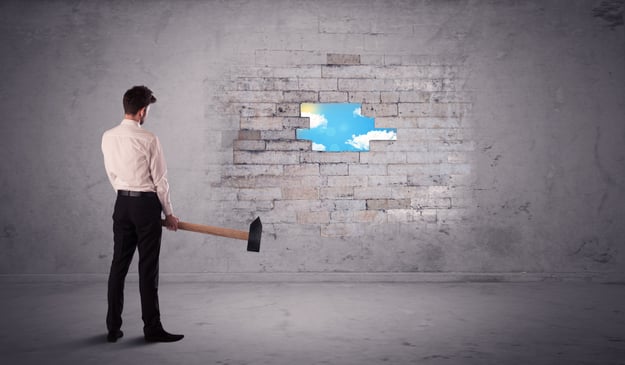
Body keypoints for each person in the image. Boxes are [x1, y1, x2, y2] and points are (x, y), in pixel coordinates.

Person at [101, 85, 184, 343]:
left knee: (118, 266)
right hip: (146, 206)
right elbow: (160, 181)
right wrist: (169, 214)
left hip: (121, 203)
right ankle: (152, 329)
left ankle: (113, 328)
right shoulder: (149, 138)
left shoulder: (107, 136)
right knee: (148, 269)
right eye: (147, 110)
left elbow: (112, 175)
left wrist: (126, 195)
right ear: (141, 111)